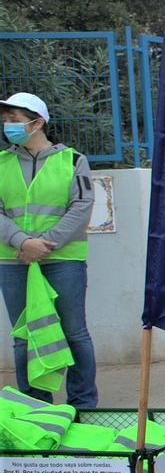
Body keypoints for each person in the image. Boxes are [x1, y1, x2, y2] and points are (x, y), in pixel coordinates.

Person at [0, 93, 98, 408]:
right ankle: (36, 406)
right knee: (24, 336)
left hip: (63, 261)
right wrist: (22, 242)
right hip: (14, 260)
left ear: (37, 122)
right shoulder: (1, 163)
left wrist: (44, 244)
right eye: (6, 120)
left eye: (14, 120)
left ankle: (83, 405)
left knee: (73, 332)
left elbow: (81, 207)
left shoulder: (72, 160)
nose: (7, 125)